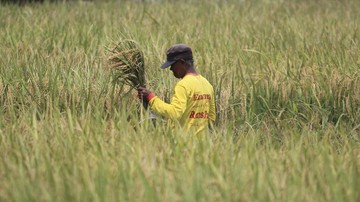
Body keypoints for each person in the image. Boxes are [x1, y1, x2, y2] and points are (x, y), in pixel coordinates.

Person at [137, 44, 216, 134]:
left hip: (183, 142)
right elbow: (211, 117)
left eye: (173, 65)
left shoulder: (183, 85)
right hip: (202, 144)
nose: (171, 69)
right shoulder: (207, 84)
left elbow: (175, 113)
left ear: (182, 62)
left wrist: (151, 98)